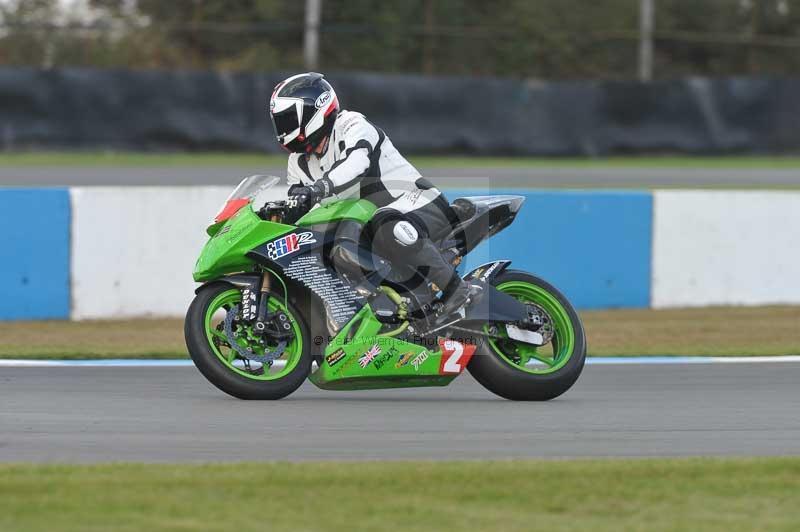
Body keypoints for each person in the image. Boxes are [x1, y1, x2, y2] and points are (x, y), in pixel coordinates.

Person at [268, 72, 478, 320]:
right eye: (280, 121)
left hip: (419, 204)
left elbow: (356, 163)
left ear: (317, 109)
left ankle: (457, 292)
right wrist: (275, 213)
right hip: (367, 227)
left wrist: (318, 189)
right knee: (326, 249)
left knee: (385, 222)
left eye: (289, 119)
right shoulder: (298, 162)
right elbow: (298, 202)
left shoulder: (352, 125)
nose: (284, 128)